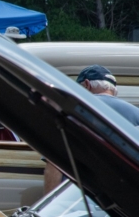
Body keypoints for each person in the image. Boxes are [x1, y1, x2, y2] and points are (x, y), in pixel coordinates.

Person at [43, 64, 139, 193]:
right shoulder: (136, 114)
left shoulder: (72, 111)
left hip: (76, 198)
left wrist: (51, 204)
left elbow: (54, 163)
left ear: (87, 84)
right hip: (121, 201)